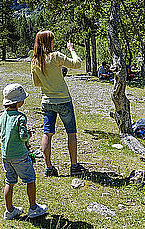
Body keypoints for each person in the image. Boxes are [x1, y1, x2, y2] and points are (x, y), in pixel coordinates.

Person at [31, 30, 88, 177]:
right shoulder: (56, 56)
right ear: (49, 42)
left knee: (47, 133)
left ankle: (49, 168)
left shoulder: (35, 60)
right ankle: (74, 166)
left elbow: (37, 83)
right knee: (71, 133)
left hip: (47, 101)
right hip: (63, 100)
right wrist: (72, 50)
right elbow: (77, 64)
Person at [0, 83, 47, 220]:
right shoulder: (20, 117)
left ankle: (10, 210)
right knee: (30, 179)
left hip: (6, 156)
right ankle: (33, 208)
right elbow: (23, 136)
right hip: (20, 155)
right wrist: (29, 135)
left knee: (9, 181)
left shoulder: (2, 117)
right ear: (18, 102)